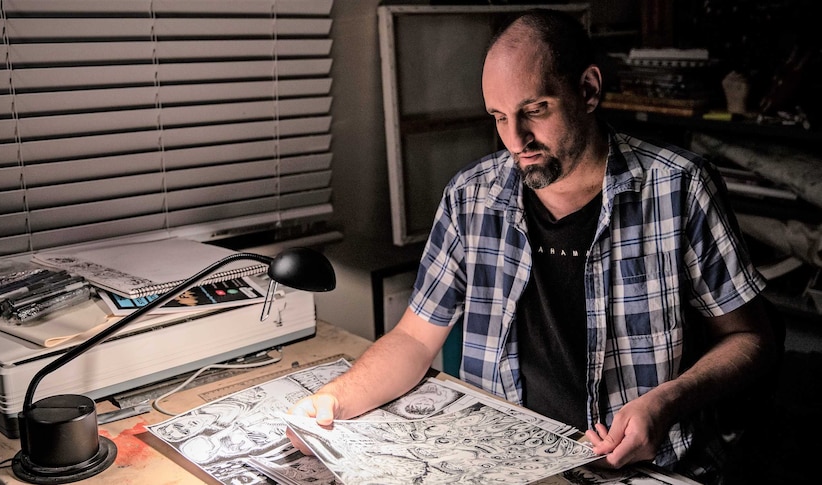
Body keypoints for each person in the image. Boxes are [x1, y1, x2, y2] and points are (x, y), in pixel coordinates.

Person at [287, 8, 777, 483]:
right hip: (507, 464)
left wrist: (669, 401)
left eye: (534, 110)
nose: (515, 139)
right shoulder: (470, 197)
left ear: (587, 89)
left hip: (650, 468)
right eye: (498, 116)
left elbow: (751, 339)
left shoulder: (678, 188)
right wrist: (336, 397)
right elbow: (415, 340)